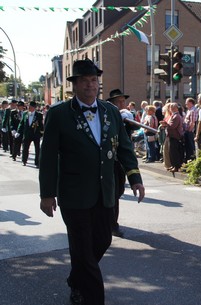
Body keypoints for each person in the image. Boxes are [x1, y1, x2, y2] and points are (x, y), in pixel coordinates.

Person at [39, 59, 145, 304]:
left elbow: (125, 148)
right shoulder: (58, 114)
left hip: (104, 192)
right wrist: (47, 193)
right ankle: (92, 297)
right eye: (84, 81)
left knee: (103, 240)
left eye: (94, 80)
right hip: (74, 194)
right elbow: (47, 158)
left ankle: (76, 280)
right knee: (84, 251)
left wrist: (135, 178)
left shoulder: (110, 112)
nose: (90, 85)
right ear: (74, 85)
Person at [106, 88, 139, 238]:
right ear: (112, 103)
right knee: (111, 194)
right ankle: (112, 225)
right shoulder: (107, 115)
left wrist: (127, 120)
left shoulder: (125, 116)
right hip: (109, 160)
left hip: (122, 159)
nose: (122, 103)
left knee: (118, 191)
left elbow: (135, 127)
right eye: (119, 101)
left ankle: (112, 222)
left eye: (123, 101)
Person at [17, 101, 44, 167]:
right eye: (29, 106)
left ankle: (37, 162)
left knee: (37, 149)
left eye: (31, 107)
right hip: (27, 134)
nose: (29, 108)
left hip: (35, 134)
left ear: (34, 108)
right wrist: (18, 131)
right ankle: (24, 160)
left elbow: (41, 125)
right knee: (25, 148)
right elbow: (21, 123)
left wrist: (41, 134)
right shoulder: (25, 114)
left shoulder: (39, 115)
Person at [161, 102, 184, 172]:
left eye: (172, 107)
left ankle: (176, 166)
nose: (170, 109)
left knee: (174, 152)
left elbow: (172, 126)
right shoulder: (174, 115)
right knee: (171, 152)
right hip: (172, 136)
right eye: (170, 107)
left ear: (175, 108)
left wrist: (165, 124)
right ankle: (173, 165)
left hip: (175, 136)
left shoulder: (176, 116)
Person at [183, 98, 198, 162]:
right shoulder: (189, 110)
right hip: (187, 130)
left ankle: (191, 159)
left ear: (191, 103)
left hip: (189, 131)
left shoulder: (193, 110)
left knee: (190, 146)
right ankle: (188, 159)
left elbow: (193, 122)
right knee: (188, 146)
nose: (186, 104)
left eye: (187, 103)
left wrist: (189, 130)